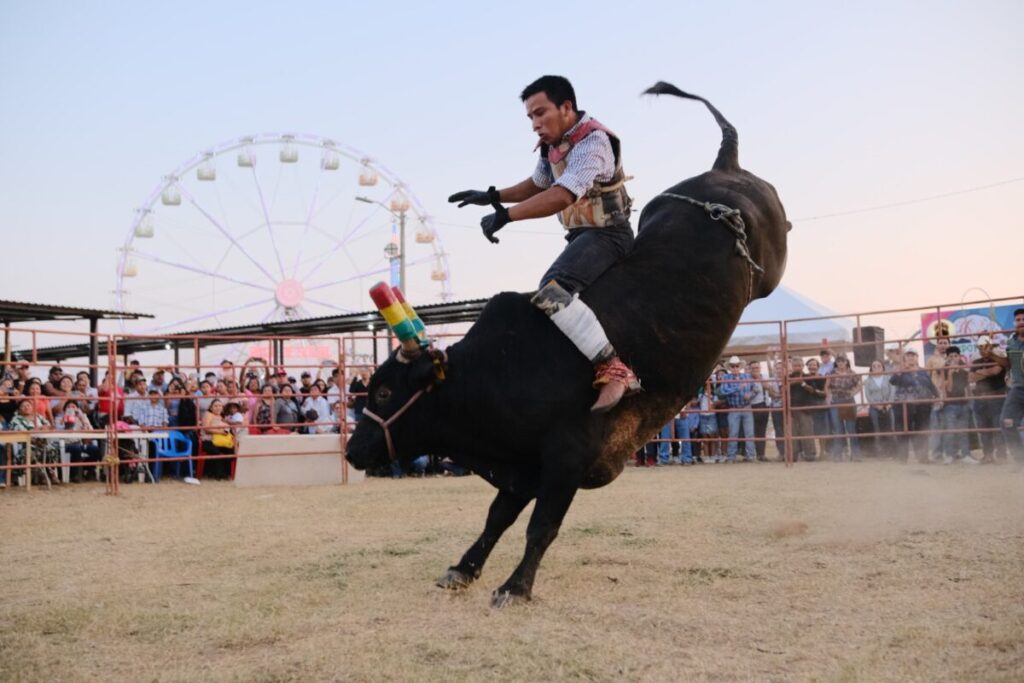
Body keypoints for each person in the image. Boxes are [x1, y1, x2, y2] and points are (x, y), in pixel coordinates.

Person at [448, 75, 638, 413]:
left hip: (608, 235)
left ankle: (614, 369)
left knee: (553, 290)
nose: (535, 124)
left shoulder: (594, 143)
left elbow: (561, 194)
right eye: (530, 118)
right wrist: (492, 196)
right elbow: (539, 183)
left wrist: (506, 216)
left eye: (540, 113)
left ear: (566, 107)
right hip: (581, 235)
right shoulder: (554, 144)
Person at [983, 308, 1024, 464]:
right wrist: (991, 355)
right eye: (1018, 320)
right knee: (1006, 422)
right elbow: (1009, 364)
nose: (1021, 322)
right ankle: (1020, 461)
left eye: (1023, 319)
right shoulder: (1012, 341)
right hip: (1018, 388)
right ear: (1014, 323)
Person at [889, 350, 939, 464]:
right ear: (905, 358)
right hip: (904, 405)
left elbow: (930, 384)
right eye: (908, 355)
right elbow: (892, 381)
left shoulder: (923, 371)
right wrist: (901, 370)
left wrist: (937, 396)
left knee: (922, 430)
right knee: (903, 431)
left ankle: (922, 457)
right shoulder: (901, 370)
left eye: (913, 355)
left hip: (923, 405)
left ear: (917, 357)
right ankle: (902, 458)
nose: (911, 357)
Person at [969, 335, 1007, 463]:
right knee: (984, 428)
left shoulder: (999, 360)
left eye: (985, 347)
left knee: (998, 427)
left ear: (991, 347)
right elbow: (971, 378)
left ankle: (1001, 455)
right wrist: (987, 372)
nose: (982, 349)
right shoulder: (976, 362)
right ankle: (988, 455)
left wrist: (980, 372)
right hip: (981, 398)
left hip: (997, 397)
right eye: (980, 347)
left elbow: (996, 371)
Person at [940, 346, 975, 464]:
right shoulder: (944, 370)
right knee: (950, 431)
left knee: (963, 431)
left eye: (955, 356)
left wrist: (969, 402)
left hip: (963, 403)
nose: (953, 358)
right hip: (950, 404)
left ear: (959, 357)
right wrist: (950, 373)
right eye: (951, 356)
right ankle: (949, 455)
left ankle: (966, 454)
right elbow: (948, 388)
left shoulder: (964, 370)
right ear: (947, 358)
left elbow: (968, 387)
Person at [718, 356, 756, 463]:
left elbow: (755, 389)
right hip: (734, 408)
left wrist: (750, 395)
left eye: (737, 366)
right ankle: (731, 456)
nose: (735, 368)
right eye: (733, 366)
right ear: (730, 367)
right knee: (733, 433)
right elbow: (723, 391)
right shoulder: (726, 377)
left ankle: (751, 456)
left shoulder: (747, 376)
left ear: (740, 366)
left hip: (746, 406)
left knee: (749, 433)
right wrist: (738, 387)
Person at [826, 354, 862, 461]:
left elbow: (859, 385)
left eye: (842, 360)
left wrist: (853, 393)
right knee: (837, 429)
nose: (840, 363)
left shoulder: (852, 373)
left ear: (846, 361)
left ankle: (855, 454)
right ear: (836, 362)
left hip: (848, 400)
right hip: (836, 400)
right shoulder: (831, 373)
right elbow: (827, 386)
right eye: (838, 361)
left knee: (851, 428)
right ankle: (838, 454)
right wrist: (829, 397)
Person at [787, 357, 818, 462]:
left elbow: (812, 390)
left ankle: (810, 455)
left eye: (799, 365)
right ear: (792, 366)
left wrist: (803, 383)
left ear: (803, 366)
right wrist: (794, 382)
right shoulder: (788, 377)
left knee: (807, 431)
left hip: (805, 408)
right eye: (795, 366)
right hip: (791, 409)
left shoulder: (808, 377)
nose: (798, 368)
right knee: (793, 432)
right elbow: (782, 389)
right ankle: (793, 455)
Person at [863, 359, 895, 457]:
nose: (876, 368)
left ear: (882, 368)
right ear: (871, 369)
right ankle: (880, 451)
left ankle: (892, 451)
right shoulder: (867, 381)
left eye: (879, 366)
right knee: (877, 429)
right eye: (874, 366)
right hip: (874, 407)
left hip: (888, 406)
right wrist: (877, 406)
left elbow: (893, 392)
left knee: (890, 428)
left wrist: (889, 404)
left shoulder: (889, 378)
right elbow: (868, 396)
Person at [201, 399, 234, 479]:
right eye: (215, 406)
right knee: (216, 452)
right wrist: (220, 432)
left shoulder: (222, 417)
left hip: (221, 440)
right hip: (208, 440)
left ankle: (226, 474)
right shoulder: (208, 414)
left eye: (220, 406)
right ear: (211, 408)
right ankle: (218, 474)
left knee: (230, 450)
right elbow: (206, 429)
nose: (218, 408)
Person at [748, 361, 771, 461]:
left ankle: (761, 454)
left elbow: (767, 387)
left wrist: (760, 379)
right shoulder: (747, 379)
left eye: (757, 368)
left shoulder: (763, 377)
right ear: (749, 369)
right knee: (750, 431)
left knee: (761, 431)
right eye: (753, 368)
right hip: (750, 407)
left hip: (762, 405)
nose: (755, 370)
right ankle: (751, 454)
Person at [766, 360, 787, 462]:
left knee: (788, 430)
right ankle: (782, 453)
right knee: (779, 431)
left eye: (780, 368)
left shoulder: (788, 379)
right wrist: (779, 395)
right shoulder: (772, 380)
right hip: (776, 408)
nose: (779, 370)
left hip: (786, 408)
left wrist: (776, 394)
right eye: (777, 368)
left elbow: (783, 393)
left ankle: (790, 452)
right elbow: (771, 393)